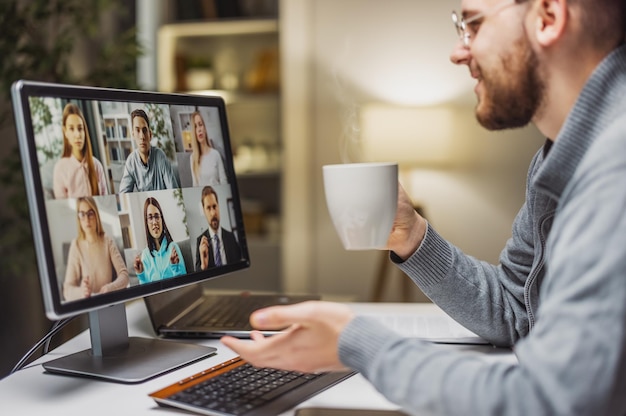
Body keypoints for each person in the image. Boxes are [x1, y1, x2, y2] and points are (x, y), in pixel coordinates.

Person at [222, 0, 626, 414]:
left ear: (548, 16)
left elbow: (548, 401)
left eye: (473, 24)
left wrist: (357, 342)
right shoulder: (561, 156)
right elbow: (515, 310)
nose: (457, 51)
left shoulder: (614, 169)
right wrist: (411, 235)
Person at [63, 197, 129, 301]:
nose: (87, 219)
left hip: (108, 301)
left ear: (96, 215)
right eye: (82, 214)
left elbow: (124, 275)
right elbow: (67, 290)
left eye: (90, 213)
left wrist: (110, 288)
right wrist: (82, 291)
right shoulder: (76, 245)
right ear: (78, 218)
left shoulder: (108, 241)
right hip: (89, 303)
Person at [53, 103, 108, 198]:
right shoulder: (60, 169)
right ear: (65, 131)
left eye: (80, 128)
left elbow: (106, 200)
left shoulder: (96, 165)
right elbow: (62, 209)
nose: (77, 135)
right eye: (71, 129)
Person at [119, 108, 179, 193]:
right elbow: (123, 194)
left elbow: (174, 190)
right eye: (137, 130)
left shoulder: (160, 156)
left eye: (144, 130)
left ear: (150, 134)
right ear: (133, 135)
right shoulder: (131, 162)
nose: (142, 136)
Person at [134, 196, 187, 283]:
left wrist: (175, 269)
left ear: (162, 219)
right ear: (146, 223)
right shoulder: (145, 255)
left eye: (157, 216)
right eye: (150, 218)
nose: (154, 222)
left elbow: (185, 283)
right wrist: (142, 276)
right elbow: (147, 292)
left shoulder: (173, 248)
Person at [195, 186, 242, 270]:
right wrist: (203, 267)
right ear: (204, 211)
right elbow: (197, 275)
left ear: (218, 206)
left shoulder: (231, 237)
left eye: (214, 206)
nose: (213, 213)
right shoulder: (200, 242)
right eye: (208, 208)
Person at [189, 111, 228, 186]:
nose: (199, 129)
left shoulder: (216, 154)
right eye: (195, 127)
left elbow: (224, 181)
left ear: (205, 129)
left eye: (200, 125)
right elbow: (195, 185)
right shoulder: (192, 158)